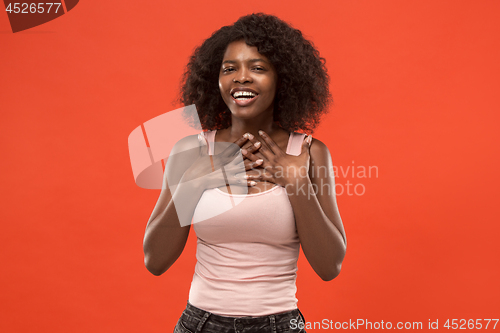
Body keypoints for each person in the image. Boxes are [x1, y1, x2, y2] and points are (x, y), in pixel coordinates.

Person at [143, 13, 347, 333]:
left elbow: (329, 266)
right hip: (201, 323)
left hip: (279, 324)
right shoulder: (191, 151)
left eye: (257, 67)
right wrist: (193, 184)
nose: (241, 78)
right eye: (229, 69)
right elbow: (154, 261)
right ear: (216, 79)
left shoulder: (309, 153)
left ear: (283, 79)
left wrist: (297, 185)